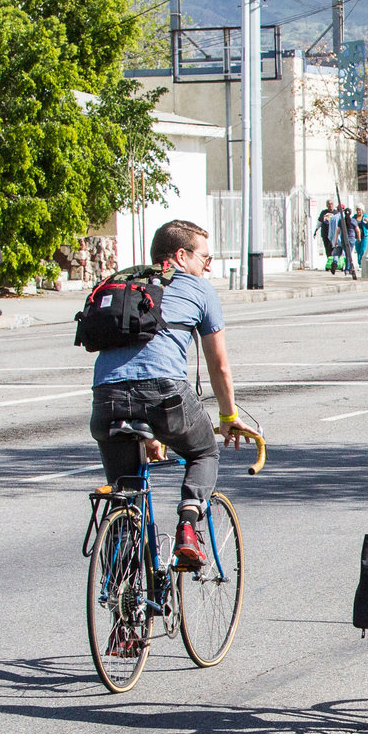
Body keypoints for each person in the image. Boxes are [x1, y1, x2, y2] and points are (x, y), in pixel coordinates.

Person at [92, 218, 254, 577]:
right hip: (165, 394)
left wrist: (147, 433)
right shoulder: (198, 289)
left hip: (107, 398)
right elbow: (220, 366)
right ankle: (188, 526)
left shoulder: (121, 281)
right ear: (181, 255)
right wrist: (228, 418)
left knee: (124, 491)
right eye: (205, 259)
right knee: (204, 451)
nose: (207, 267)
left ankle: (124, 611)